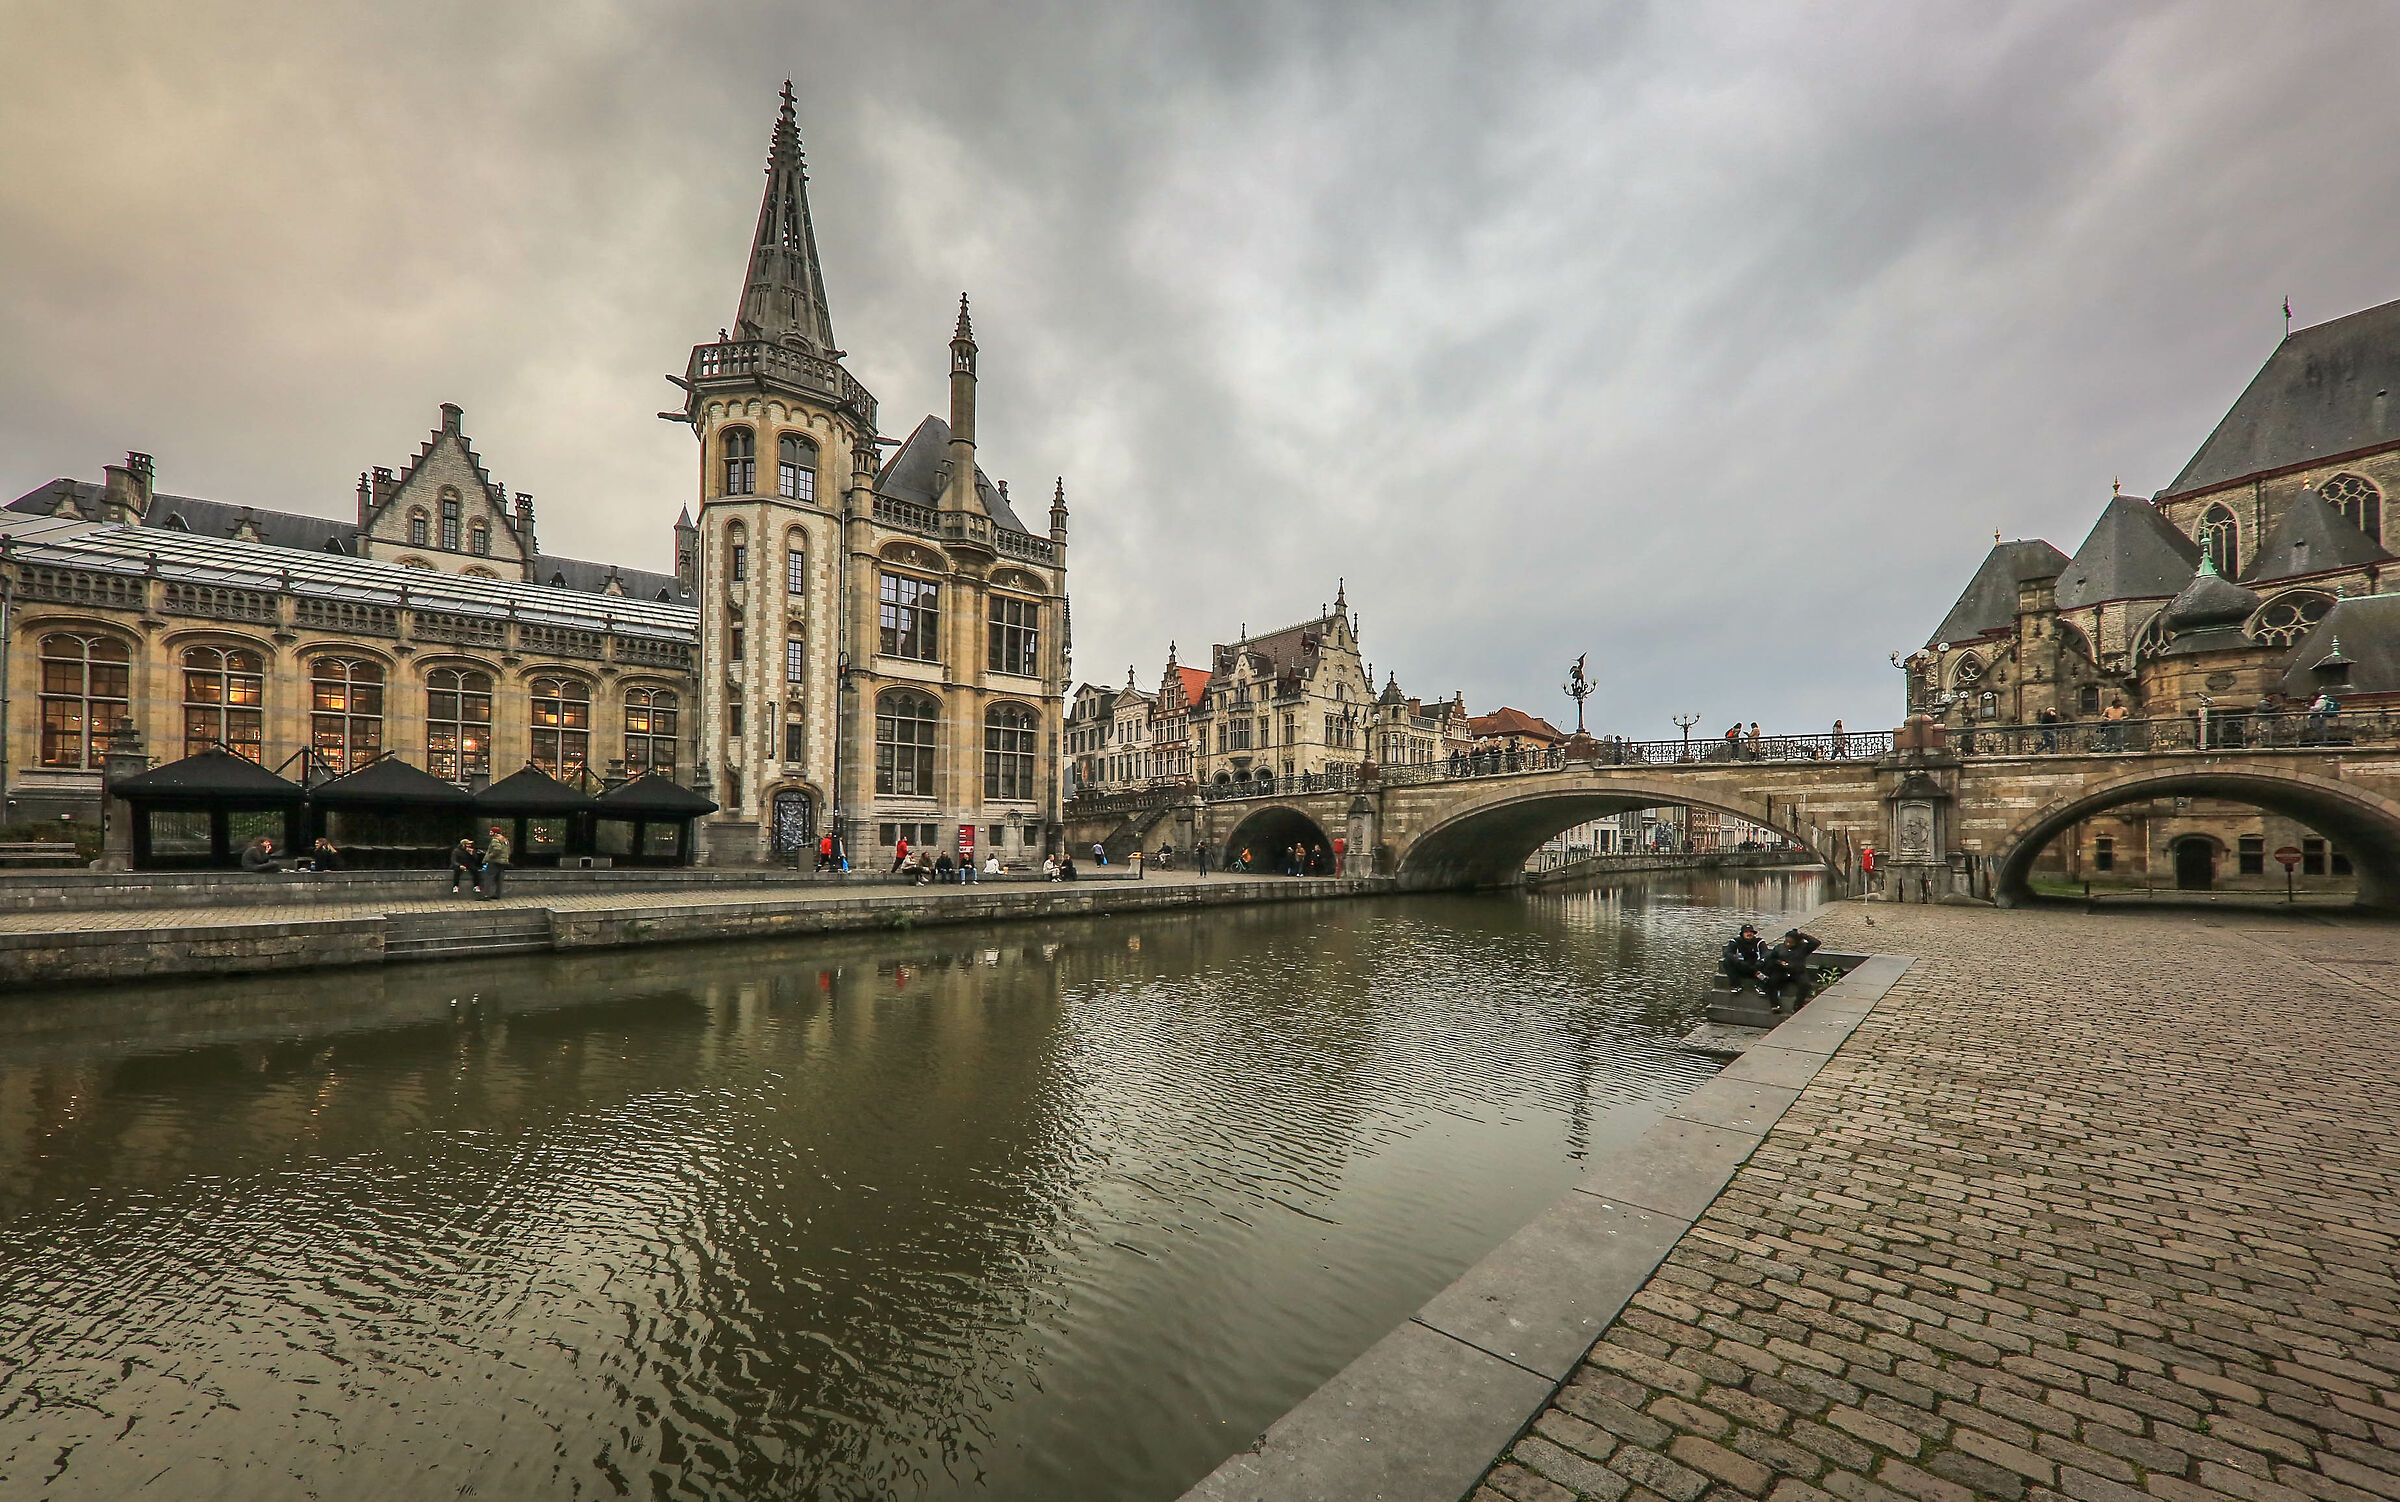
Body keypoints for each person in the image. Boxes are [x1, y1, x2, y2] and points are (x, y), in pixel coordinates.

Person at [1761, 927, 1822, 996]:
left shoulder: (1803, 948)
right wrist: (1779, 962)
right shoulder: (1780, 947)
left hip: (1797, 972)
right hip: (1782, 970)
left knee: (1805, 985)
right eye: (1786, 942)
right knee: (1772, 981)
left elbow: (1816, 942)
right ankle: (1774, 1002)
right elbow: (1772, 958)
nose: (1788, 944)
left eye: (1791, 942)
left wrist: (1803, 935)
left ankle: (1798, 1003)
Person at [1721, 924, 1771, 994]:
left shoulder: (1759, 942)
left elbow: (1766, 953)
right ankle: (1736, 985)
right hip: (1741, 967)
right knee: (1727, 962)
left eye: (1751, 932)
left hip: (1756, 966)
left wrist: (1760, 962)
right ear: (1742, 934)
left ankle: (1761, 986)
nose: (1749, 933)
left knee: (1769, 961)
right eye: (1746, 932)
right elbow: (1727, 953)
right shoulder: (1735, 941)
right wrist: (1738, 961)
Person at [479, 825, 512, 898]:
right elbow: (508, 850)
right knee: (499, 879)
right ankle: (497, 895)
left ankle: (486, 895)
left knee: (488, 877)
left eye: (491, 831)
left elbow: (497, 849)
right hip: (503, 861)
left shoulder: (495, 839)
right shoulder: (505, 839)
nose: (490, 833)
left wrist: (489, 857)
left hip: (494, 861)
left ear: (494, 833)